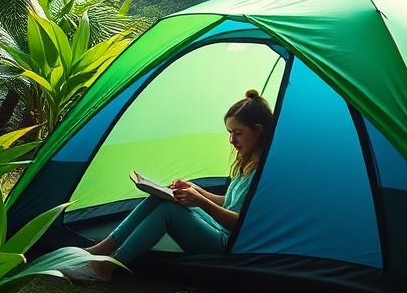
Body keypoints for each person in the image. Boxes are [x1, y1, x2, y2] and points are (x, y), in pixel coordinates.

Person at [69, 89, 273, 281]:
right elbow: (230, 202)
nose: (231, 140)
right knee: (161, 196)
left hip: (229, 244)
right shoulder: (246, 162)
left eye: (237, 133)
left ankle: (106, 268)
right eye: (229, 132)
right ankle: (100, 250)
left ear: (257, 130)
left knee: (168, 211)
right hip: (219, 229)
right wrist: (194, 189)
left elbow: (242, 224)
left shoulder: (265, 171)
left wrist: (200, 202)